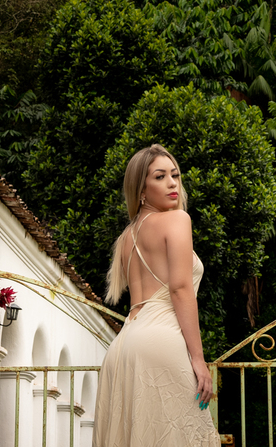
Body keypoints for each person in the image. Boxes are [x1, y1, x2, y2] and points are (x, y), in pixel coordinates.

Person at [93, 144, 219, 447]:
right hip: (162, 341)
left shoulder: (126, 237)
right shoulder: (177, 220)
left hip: (123, 346)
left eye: (174, 175)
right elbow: (179, 288)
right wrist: (199, 359)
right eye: (160, 176)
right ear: (141, 190)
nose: (172, 183)